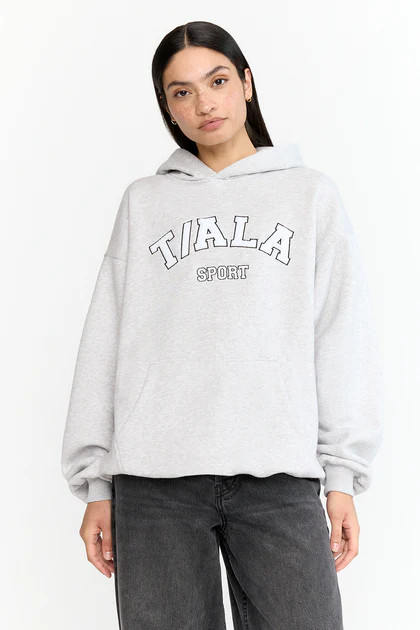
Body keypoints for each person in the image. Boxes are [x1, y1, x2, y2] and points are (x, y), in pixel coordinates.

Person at [61, 20, 384, 630]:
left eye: (216, 81)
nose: (204, 103)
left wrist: (342, 475)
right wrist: (96, 484)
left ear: (247, 83)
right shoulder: (145, 202)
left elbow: (340, 335)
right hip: (155, 483)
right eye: (181, 92)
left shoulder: (309, 196)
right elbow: (105, 341)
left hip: (278, 477)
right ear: (168, 107)